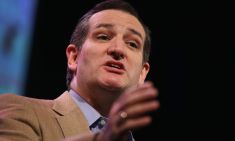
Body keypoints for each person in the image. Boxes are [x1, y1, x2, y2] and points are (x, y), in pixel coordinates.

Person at [0, 0, 159, 141]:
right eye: (103, 36)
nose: (118, 49)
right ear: (74, 58)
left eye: (132, 44)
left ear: (142, 73)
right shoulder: (21, 111)